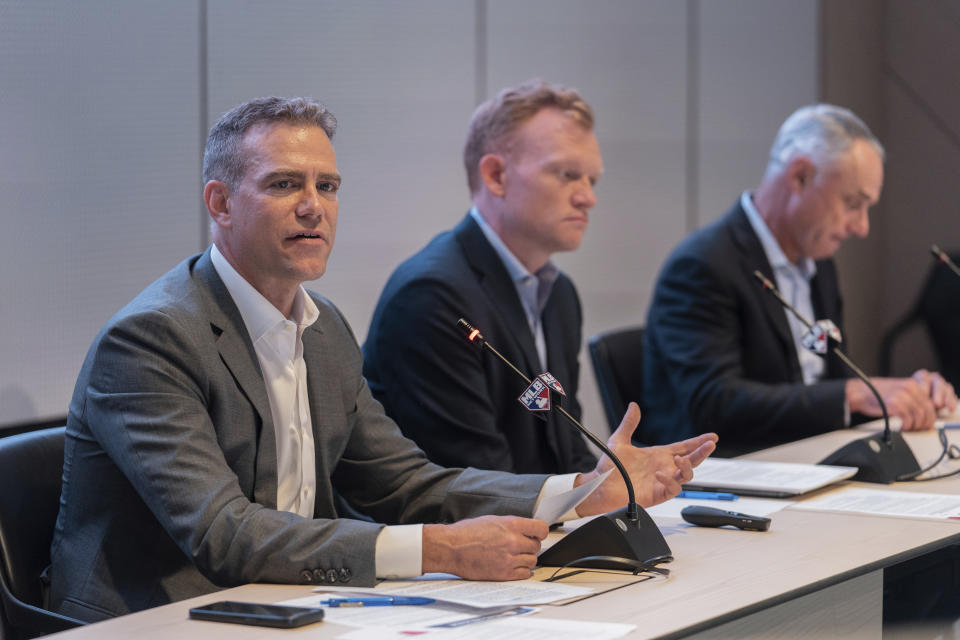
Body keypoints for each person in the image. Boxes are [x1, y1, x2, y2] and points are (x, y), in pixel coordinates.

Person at [48, 96, 717, 621]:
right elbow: (225, 534)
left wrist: (579, 493)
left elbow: (404, 484)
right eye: (284, 184)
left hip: (289, 602)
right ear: (220, 203)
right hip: (159, 614)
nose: (314, 207)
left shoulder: (324, 326)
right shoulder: (151, 340)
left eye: (329, 186)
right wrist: (438, 550)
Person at [639, 104, 956, 454]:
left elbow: (833, 380)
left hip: (809, 457)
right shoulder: (702, 265)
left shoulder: (820, 263)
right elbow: (713, 402)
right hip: (730, 471)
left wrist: (904, 393)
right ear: (800, 177)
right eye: (853, 203)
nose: (862, 227)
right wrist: (854, 393)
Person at [364, 80, 602, 474]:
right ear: (495, 176)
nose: (587, 197)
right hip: (467, 527)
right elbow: (475, 481)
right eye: (567, 174)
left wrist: (616, 483)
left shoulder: (559, 294)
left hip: (532, 521)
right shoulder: (432, 297)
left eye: (591, 180)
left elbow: (566, 447)